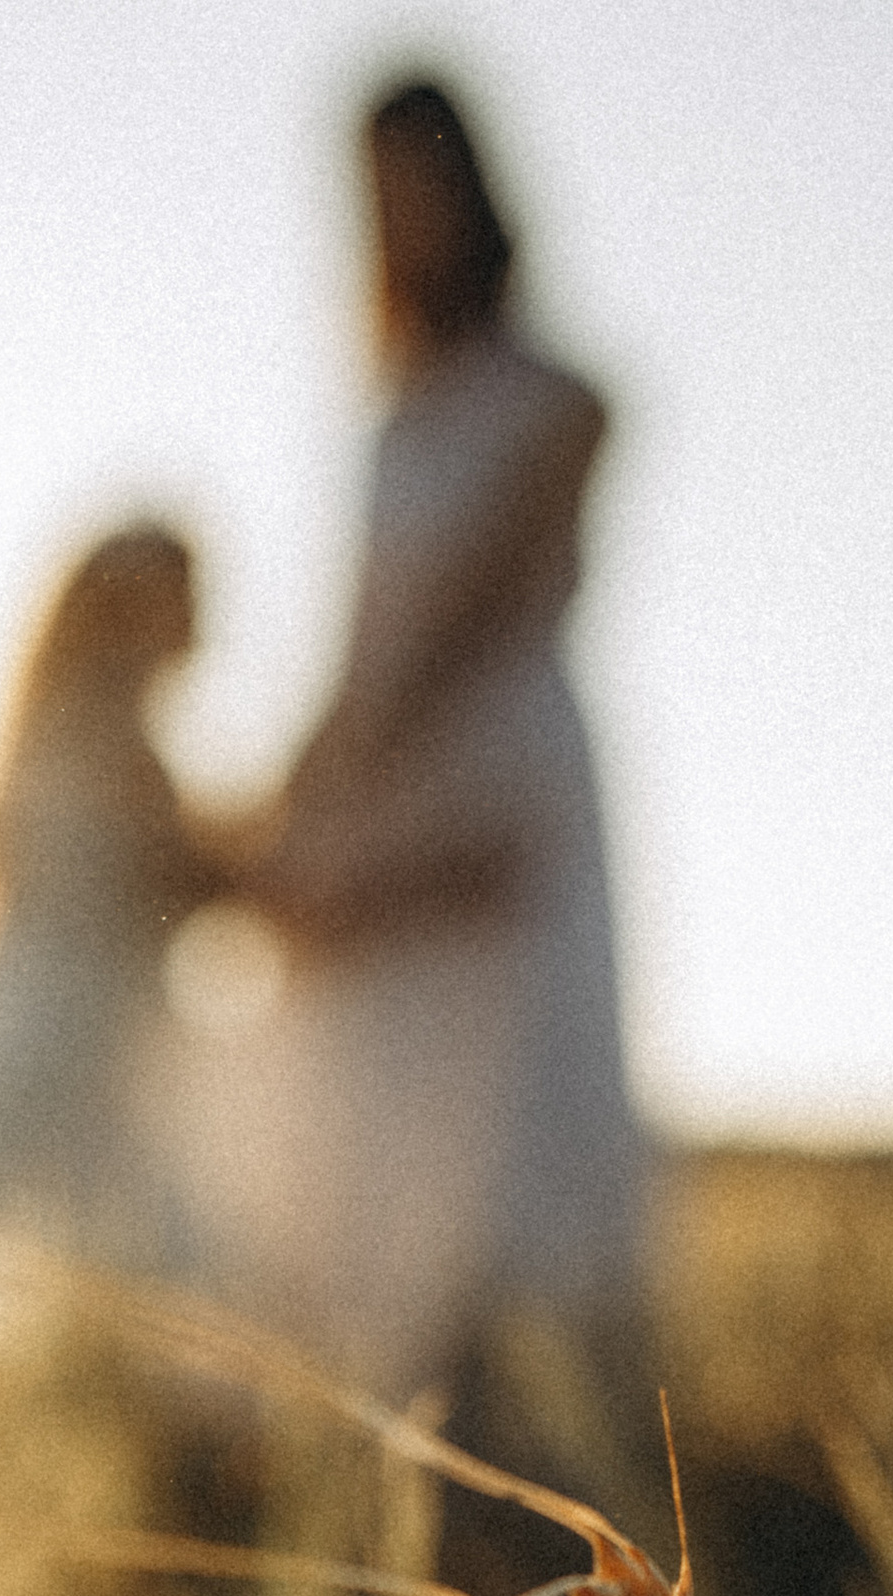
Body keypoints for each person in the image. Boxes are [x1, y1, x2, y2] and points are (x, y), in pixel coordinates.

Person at [222, 77, 644, 1399]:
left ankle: (536, 1451)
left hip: (494, 769)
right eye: (377, 193)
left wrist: (344, 783)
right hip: (374, 764)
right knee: (361, 1109)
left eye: (421, 181)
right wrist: (287, 802)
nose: (402, 218)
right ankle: (384, 1445)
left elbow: (464, 618)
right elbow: (357, 638)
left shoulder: (569, 399)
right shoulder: (383, 415)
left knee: (513, 1117)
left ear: (475, 188)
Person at [0, 522, 209, 1268]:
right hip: (77, 1048)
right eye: (177, 595)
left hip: (47, 1033)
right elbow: (189, 876)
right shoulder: (106, 737)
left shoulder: (53, 726)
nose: (196, 619)